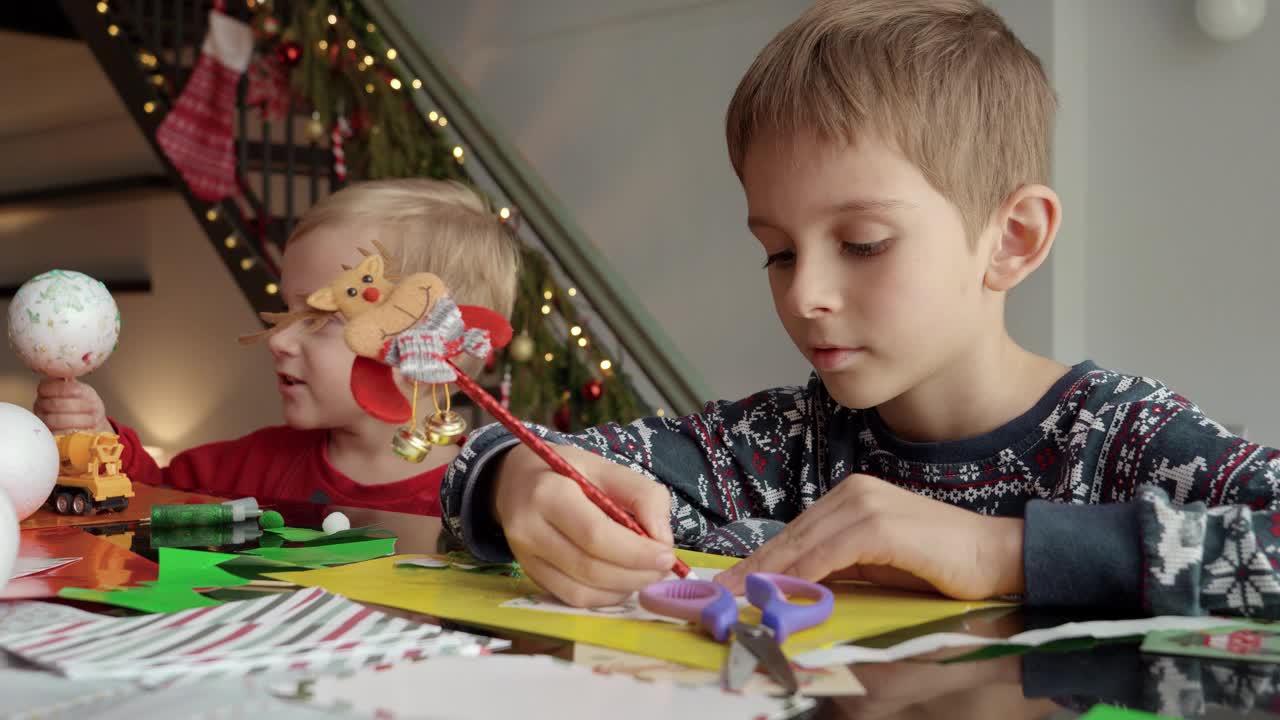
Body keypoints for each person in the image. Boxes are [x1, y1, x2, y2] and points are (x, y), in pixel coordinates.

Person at [438, 0, 1280, 618]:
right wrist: (516, 483)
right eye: (777, 250)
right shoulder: (777, 445)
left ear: (1012, 238)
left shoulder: (1122, 437)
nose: (804, 295)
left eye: (866, 242)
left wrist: (999, 552)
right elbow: (491, 463)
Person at [34, 178, 520, 518]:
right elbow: (152, 494)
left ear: (428, 347)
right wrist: (97, 435)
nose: (281, 339)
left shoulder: (490, 498)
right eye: (288, 312)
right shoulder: (251, 467)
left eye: (320, 319)